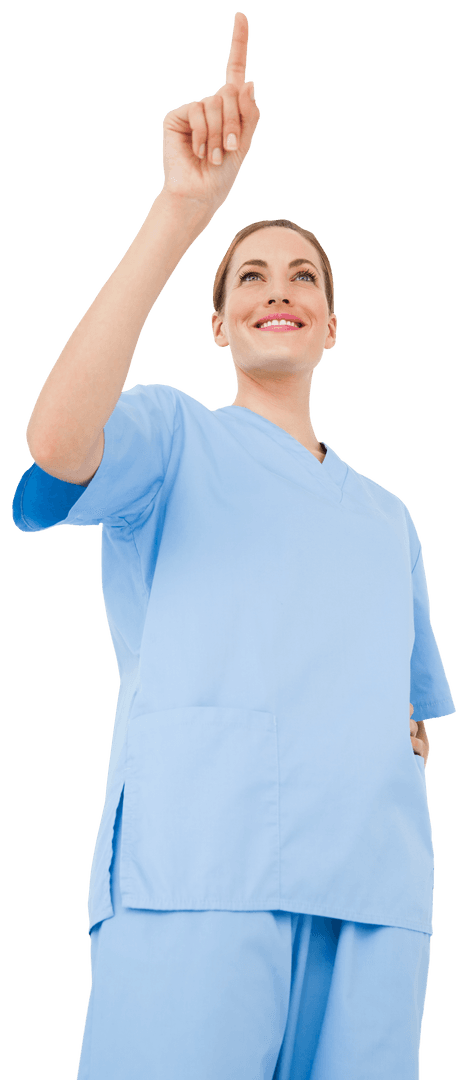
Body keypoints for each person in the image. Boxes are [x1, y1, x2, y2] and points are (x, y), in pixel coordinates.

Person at [11, 11, 456, 1080]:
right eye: (249, 276)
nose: (277, 290)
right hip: (202, 872)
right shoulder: (172, 438)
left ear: (333, 326)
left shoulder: (389, 518)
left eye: (304, 277)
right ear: (218, 324)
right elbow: (56, 445)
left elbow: (411, 718)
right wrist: (182, 213)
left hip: (373, 899)